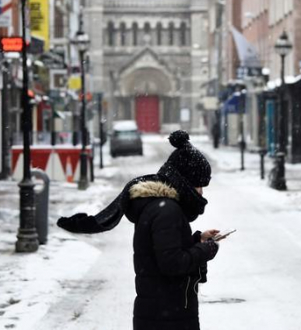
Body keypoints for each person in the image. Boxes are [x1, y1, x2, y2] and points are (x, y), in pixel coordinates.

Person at [57, 130, 220, 330]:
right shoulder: (167, 211)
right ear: (184, 181)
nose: (201, 192)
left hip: (161, 312)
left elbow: (163, 252)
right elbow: (171, 264)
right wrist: (206, 251)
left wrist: (197, 240)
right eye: (198, 185)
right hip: (166, 316)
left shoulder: (161, 207)